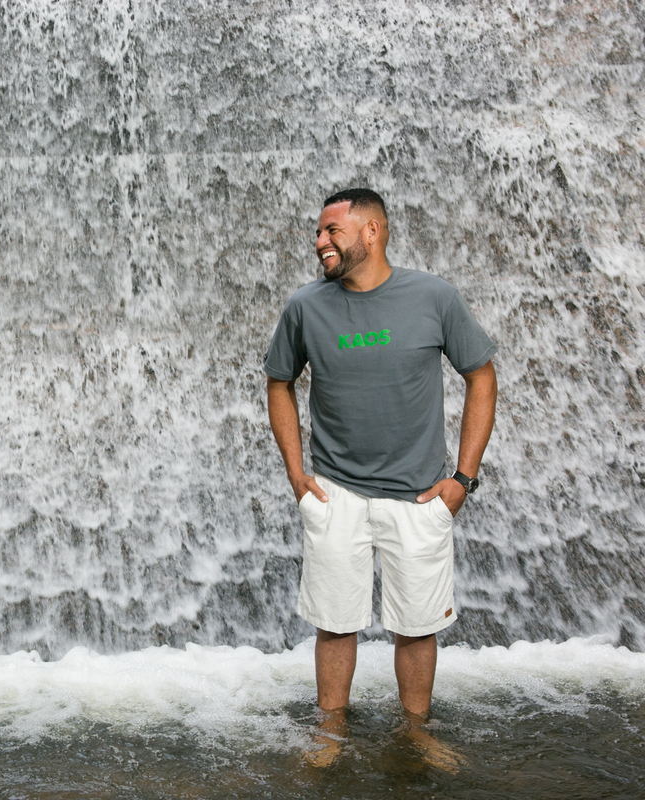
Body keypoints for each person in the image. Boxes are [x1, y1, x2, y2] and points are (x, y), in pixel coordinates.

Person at [263, 188, 497, 768]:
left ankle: (415, 732)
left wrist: (462, 480)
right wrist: (297, 474)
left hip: (418, 495)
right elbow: (278, 383)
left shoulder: (434, 297)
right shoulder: (305, 306)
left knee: (416, 627)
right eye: (318, 233)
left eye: (332, 231)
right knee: (334, 624)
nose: (320, 242)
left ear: (372, 231)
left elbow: (482, 376)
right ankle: (330, 732)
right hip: (335, 492)